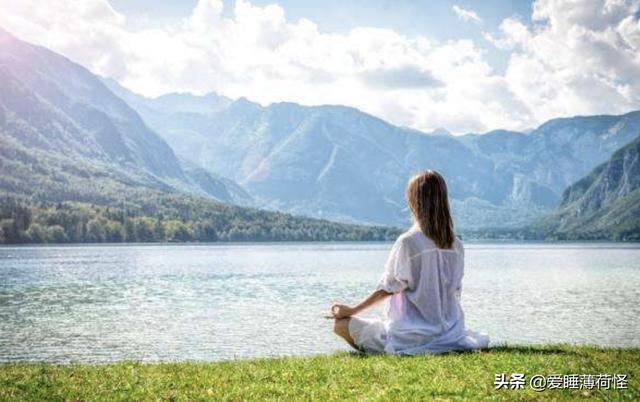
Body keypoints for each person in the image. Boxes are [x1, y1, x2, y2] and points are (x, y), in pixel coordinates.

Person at [328, 170, 489, 355]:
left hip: (411, 336)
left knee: (340, 325)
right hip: (451, 333)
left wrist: (352, 310)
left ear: (414, 201)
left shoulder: (409, 241)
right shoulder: (457, 245)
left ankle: (379, 350)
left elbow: (388, 288)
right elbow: (455, 291)